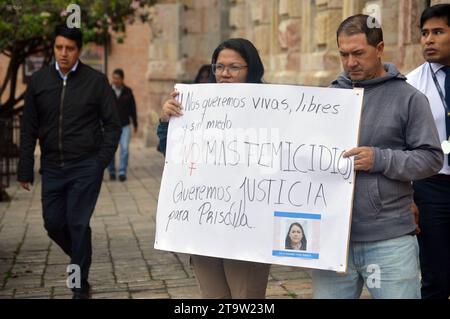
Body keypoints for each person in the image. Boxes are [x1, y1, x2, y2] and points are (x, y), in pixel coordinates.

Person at [312, 14, 443, 299]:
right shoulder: (327, 98)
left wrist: (380, 159)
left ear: (380, 48)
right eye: (343, 54)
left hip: (389, 240)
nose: (350, 62)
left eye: (358, 53)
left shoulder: (410, 98)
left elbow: (431, 158)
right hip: (334, 240)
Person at [157, 38, 271, 299]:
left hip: (247, 227)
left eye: (234, 67)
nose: (224, 74)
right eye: (219, 67)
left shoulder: (269, 106)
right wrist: (167, 120)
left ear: (250, 69)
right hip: (203, 224)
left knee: (246, 297)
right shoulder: (198, 104)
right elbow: (171, 151)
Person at [17, 25, 121, 299]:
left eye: (70, 49)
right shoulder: (39, 82)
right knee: (53, 224)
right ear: (54, 47)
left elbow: (113, 124)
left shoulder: (95, 82)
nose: (63, 54)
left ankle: (78, 285)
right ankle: (80, 253)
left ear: (79, 50)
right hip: (52, 167)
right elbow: (28, 128)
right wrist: (25, 168)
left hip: (85, 166)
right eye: (59, 47)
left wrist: (101, 161)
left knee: (77, 223)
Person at [406, 4, 450, 299]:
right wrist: (409, 195)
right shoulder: (412, 84)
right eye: (424, 33)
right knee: (436, 274)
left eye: (438, 32)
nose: (428, 40)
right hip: (432, 187)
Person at [156, 63, 211, 155]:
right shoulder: (186, 104)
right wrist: (165, 120)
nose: (204, 81)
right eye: (202, 77)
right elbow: (167, 149)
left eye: (209, 78)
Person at [107, 68, 138, 182]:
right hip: (110, 126)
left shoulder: (128, 92)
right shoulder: (107, 90)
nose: (115, 80)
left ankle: (122, 171)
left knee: (124, 149)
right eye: (114, 78)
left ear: (122, 79)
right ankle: (111, 171)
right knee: (110, 149)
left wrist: (135, 123)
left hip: (125, 125)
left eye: (117, 78)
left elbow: (132, 108)